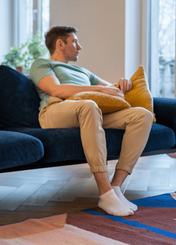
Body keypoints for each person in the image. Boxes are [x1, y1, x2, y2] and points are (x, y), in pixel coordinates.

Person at [29, 26, 153, 217]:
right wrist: (100, 90)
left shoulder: (83, 71)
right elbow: (56, 90)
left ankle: (116, 187)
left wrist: (122, 84)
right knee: (89, 105)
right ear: (60, 44)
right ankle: (104, 193)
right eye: (75, 41)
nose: (79, 46)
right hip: (55, 111)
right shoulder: (43, 64)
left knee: (141, 115)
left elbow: (110, 89)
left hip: (90, 110)